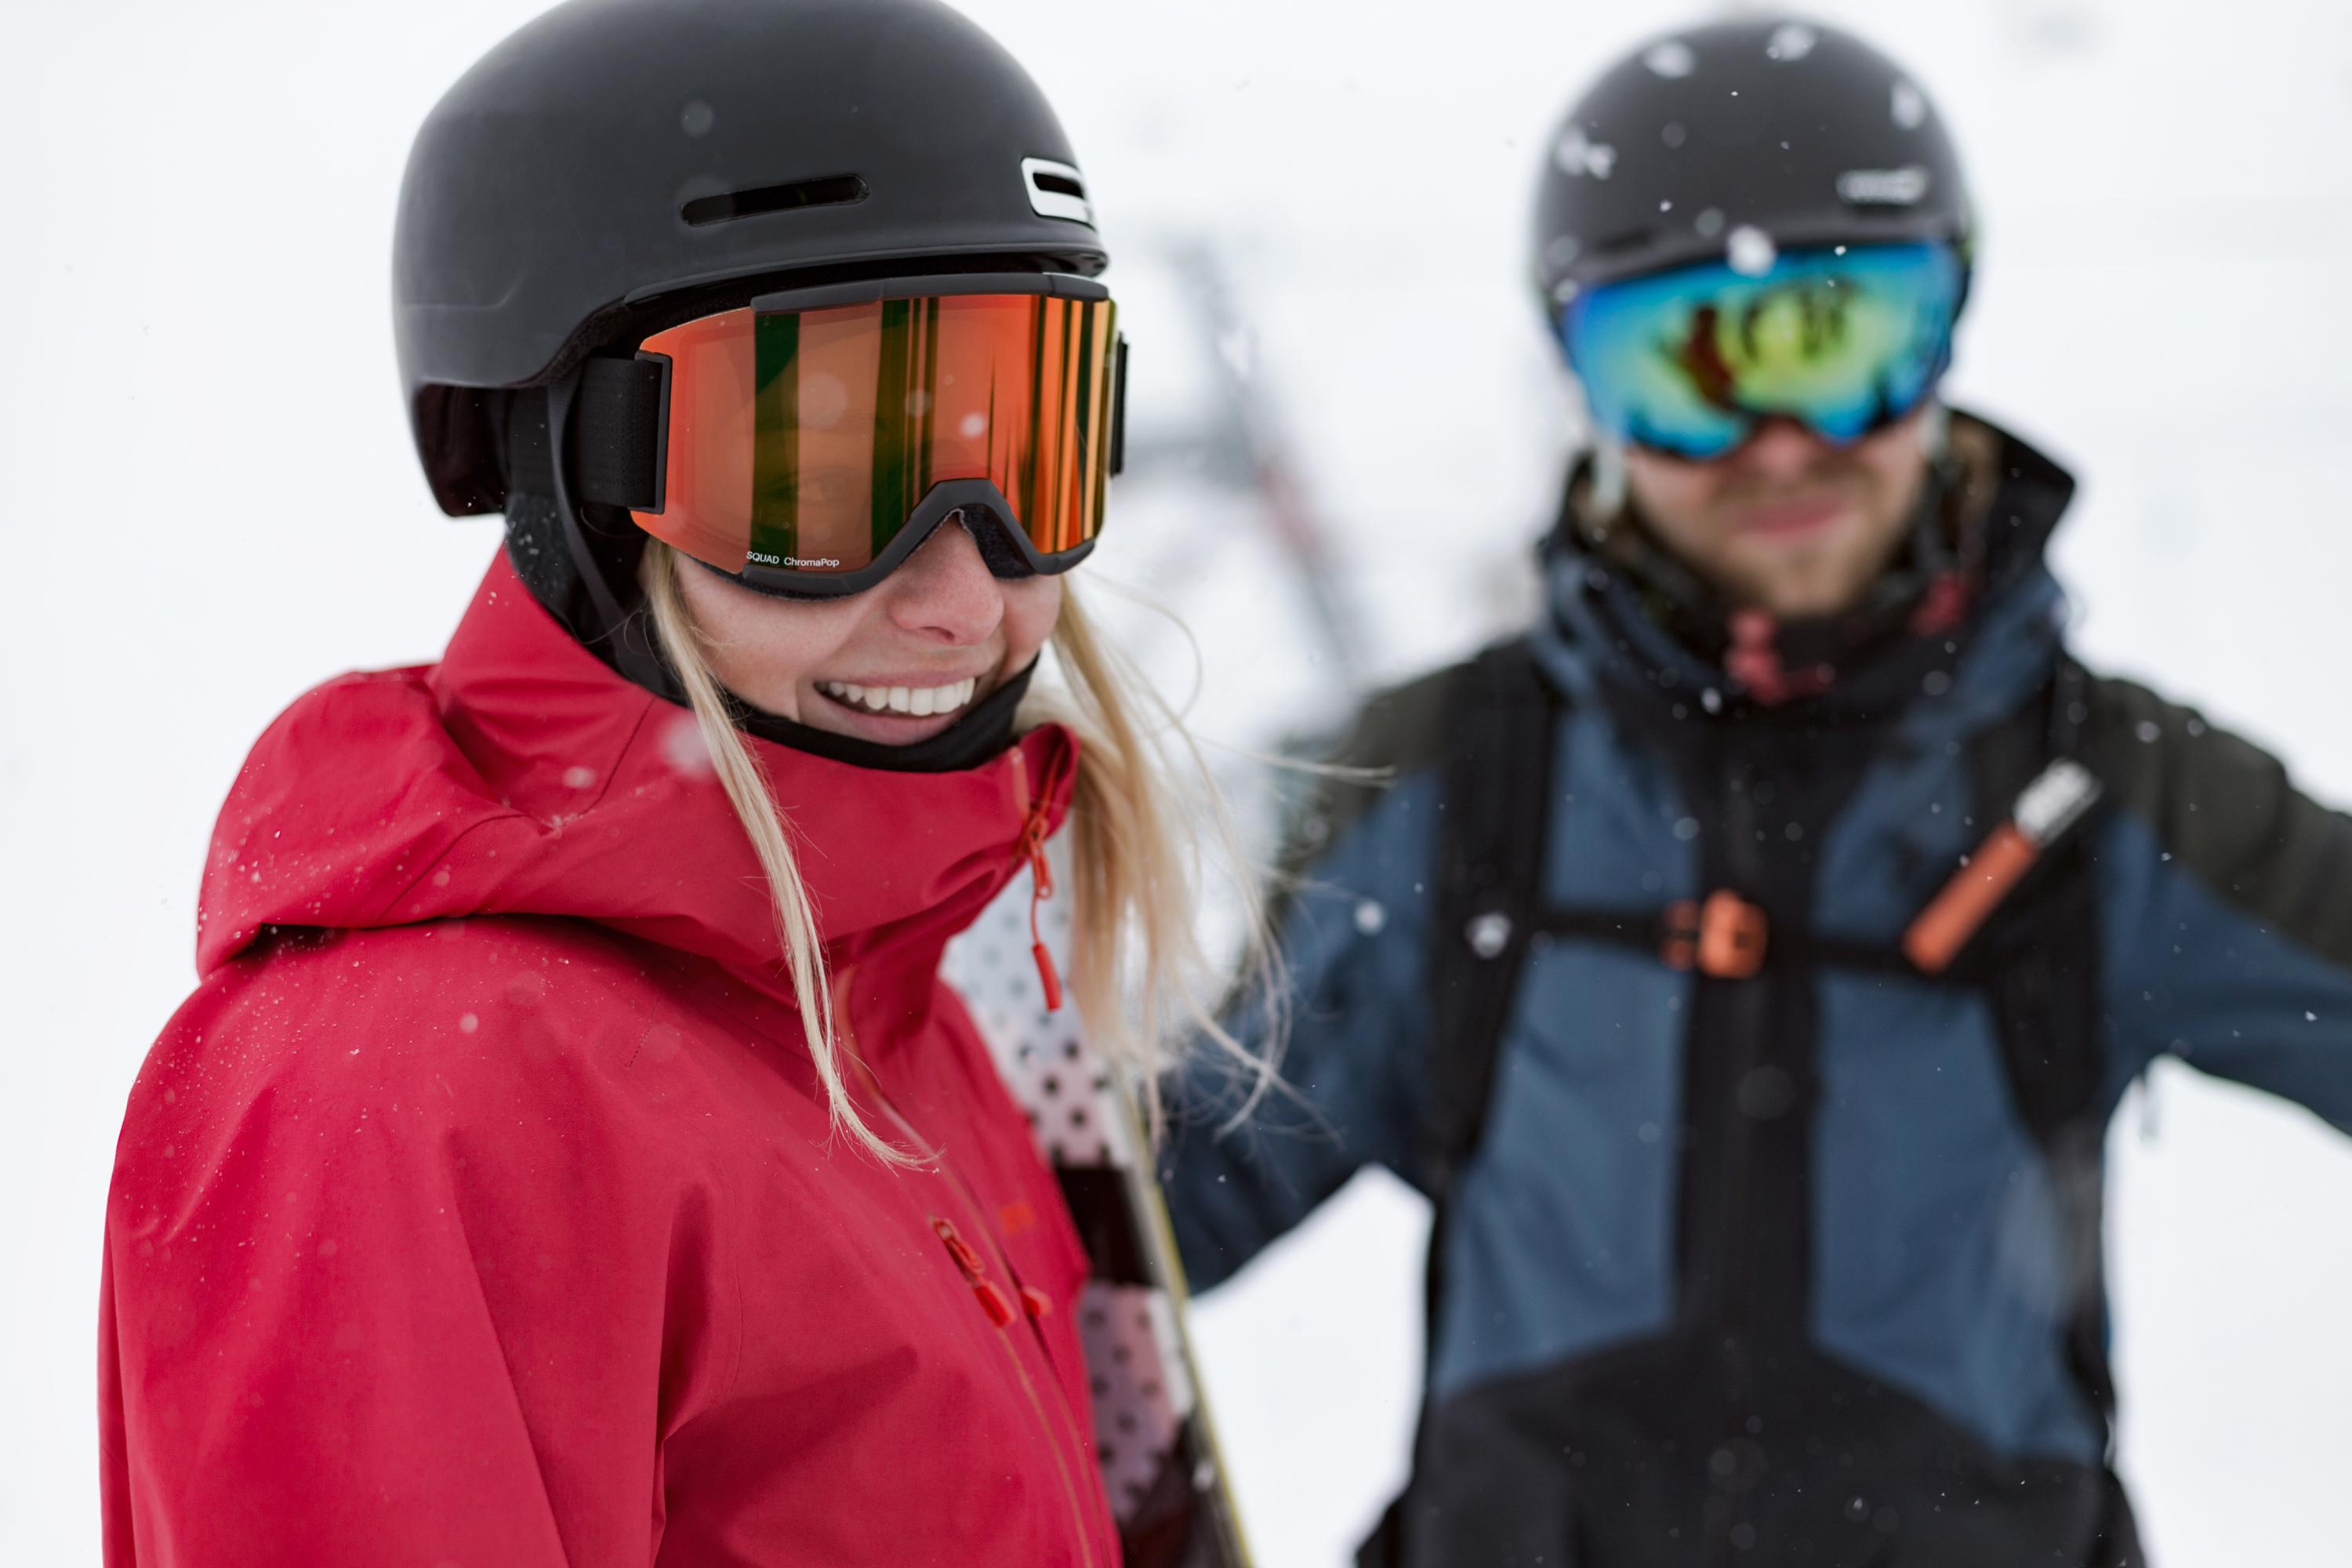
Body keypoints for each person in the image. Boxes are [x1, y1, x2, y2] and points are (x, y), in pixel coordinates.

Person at [1159, 16, 2352, 1568]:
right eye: (1684, 365)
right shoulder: (1459, 778)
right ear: (1581, 376)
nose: (1776, 440)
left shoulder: (2095, 792)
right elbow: (1161, 1198)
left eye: (1841, 341)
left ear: (1948, 329)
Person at [98, 2, 1261, 1563]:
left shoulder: (884, 1005)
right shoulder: (407, 1102)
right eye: (827, 478)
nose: (967, 597)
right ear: (578, 477)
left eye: (1026, 445)